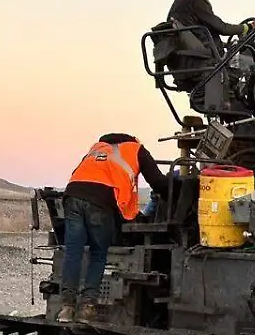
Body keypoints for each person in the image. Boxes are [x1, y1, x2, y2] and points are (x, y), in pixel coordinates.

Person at [57, 134, 170, 324]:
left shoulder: (97, 148)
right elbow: (158, 182)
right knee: (98, 253)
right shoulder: (136, 149)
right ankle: (87, 308)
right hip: (99, 202)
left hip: (72, 196)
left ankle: (66, 309)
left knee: (73, 252)